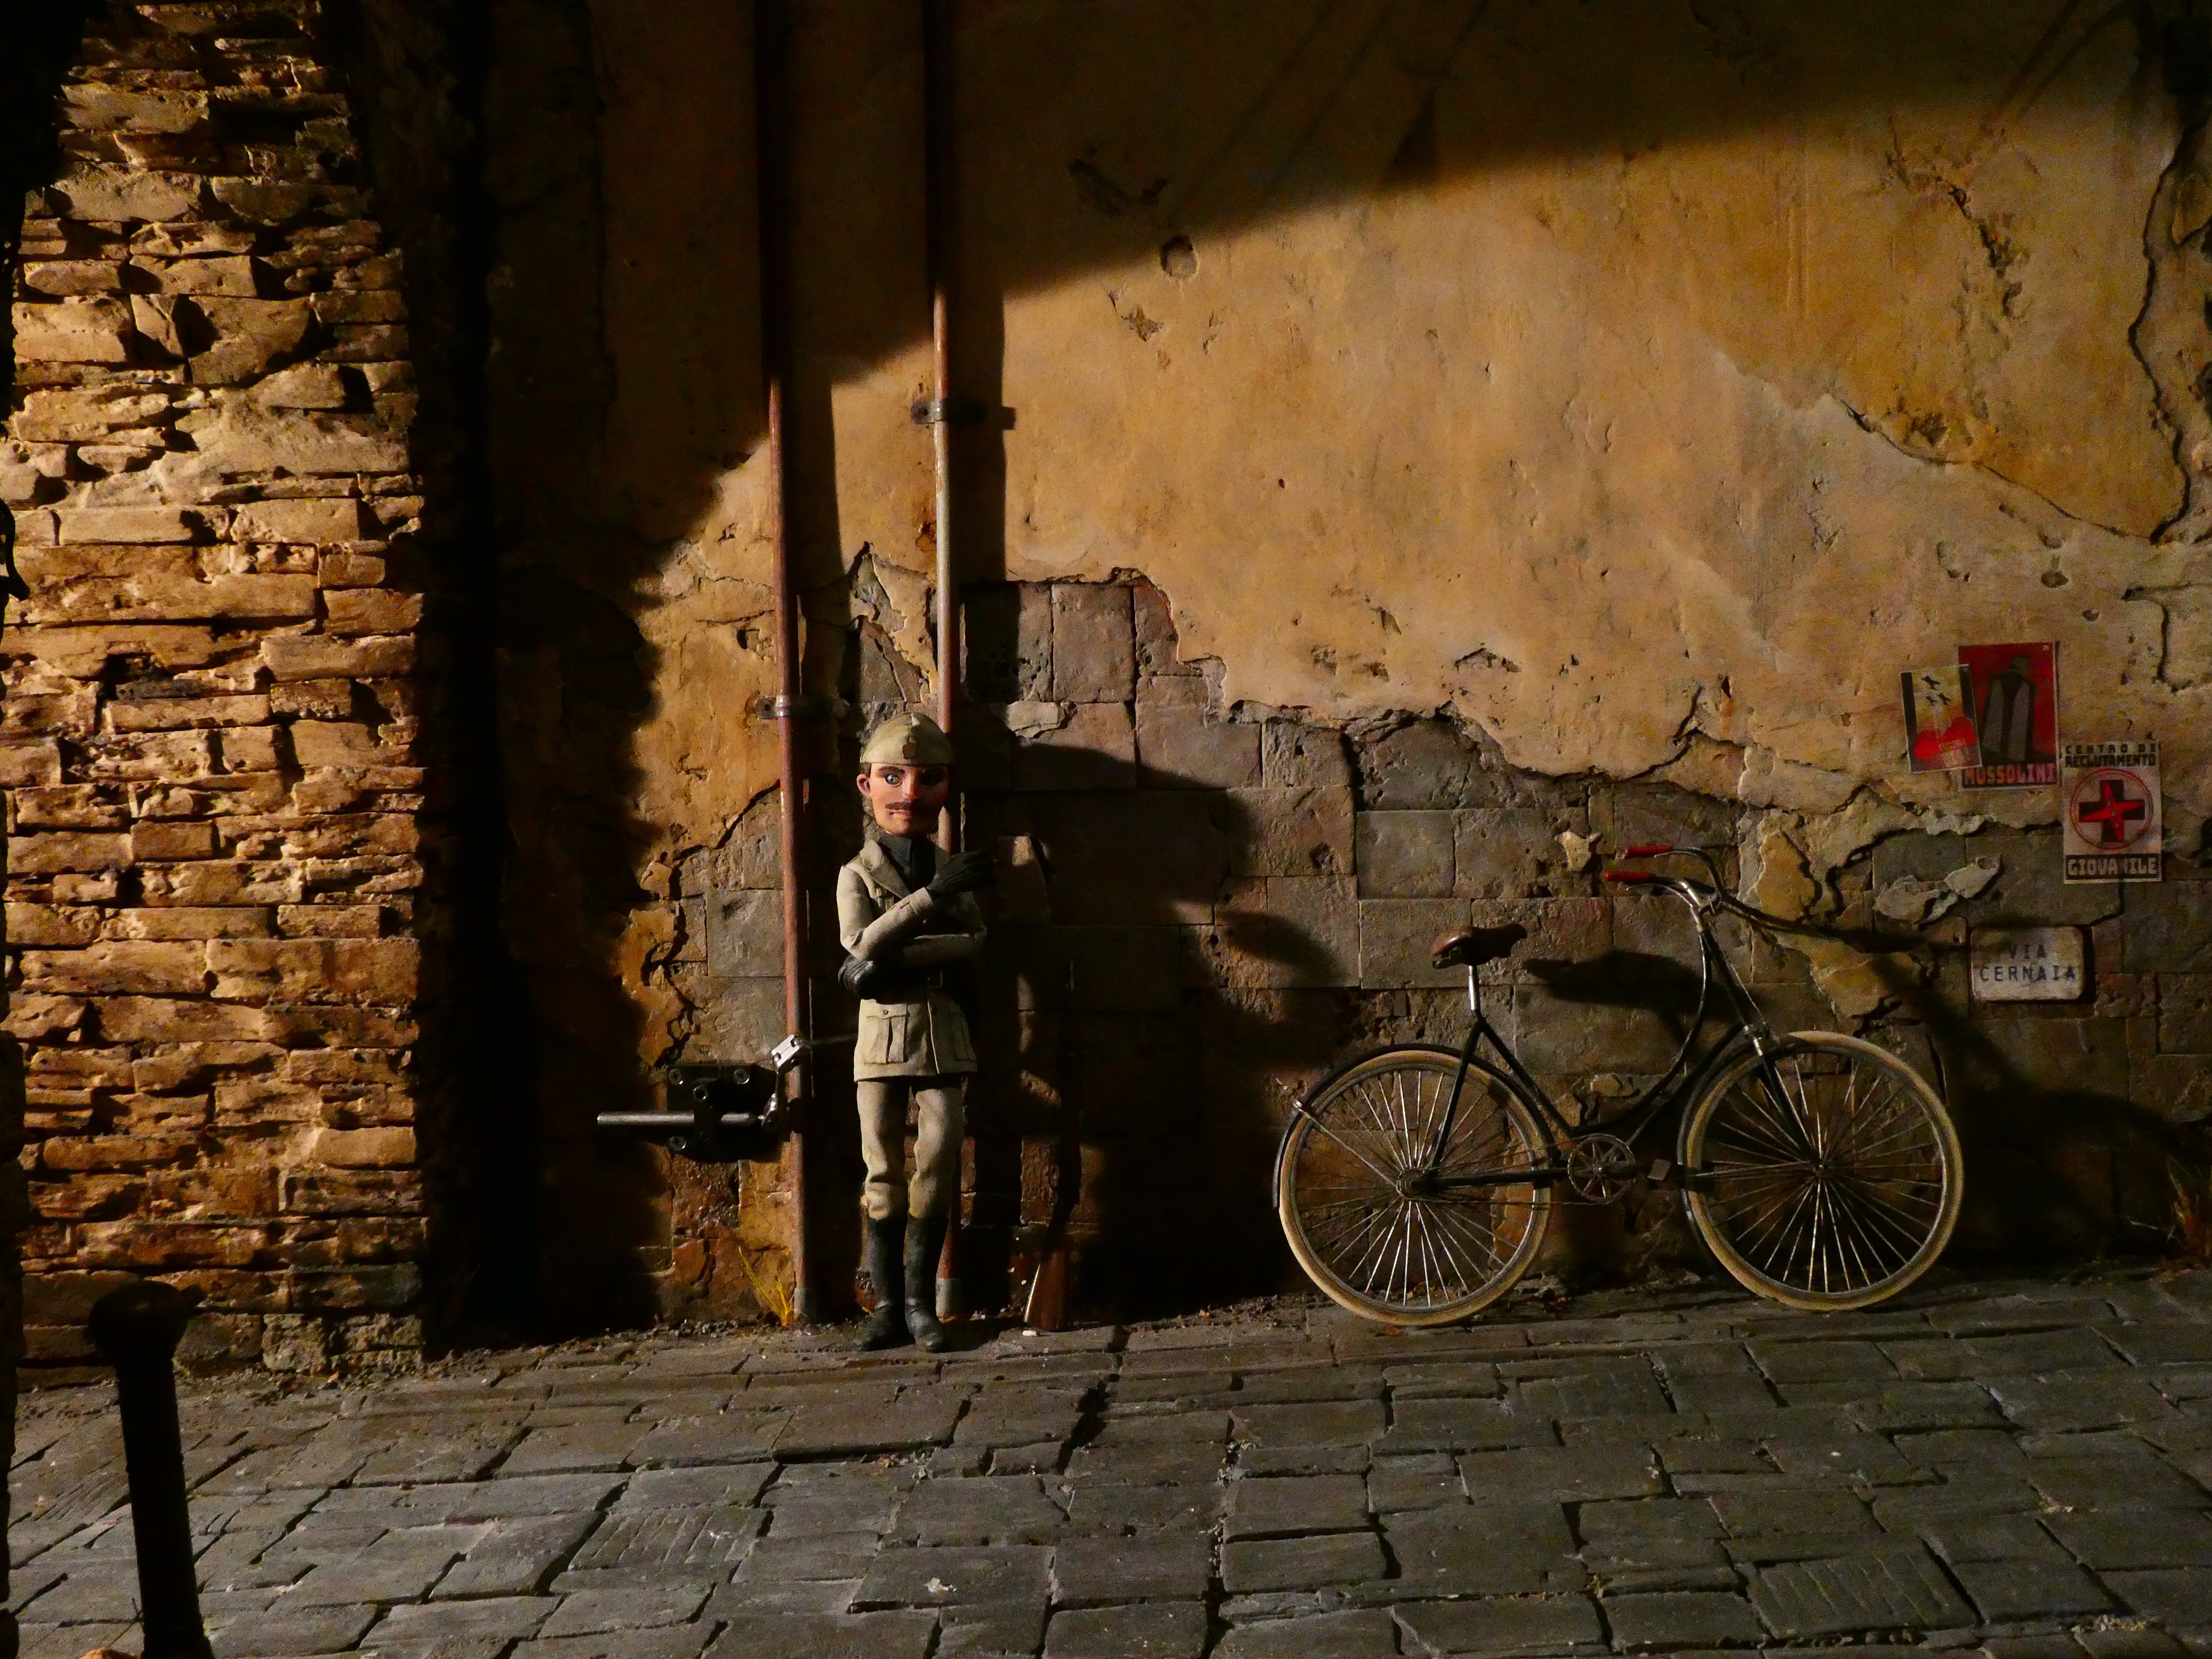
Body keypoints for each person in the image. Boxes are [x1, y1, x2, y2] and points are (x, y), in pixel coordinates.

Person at [835, 712, 993, 1350]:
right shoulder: (859, 873)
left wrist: (897, 955)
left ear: (946, 787)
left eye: (926, 780)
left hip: (943, 1032)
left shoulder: (950, 867)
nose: (909, 795)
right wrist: (928, 902)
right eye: (893, 778)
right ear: (865, 785)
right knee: (881, 1171)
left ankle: (922, 1304)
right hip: (880, 1038)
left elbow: (976, 942)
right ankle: (887, 1308)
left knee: (937, 1164)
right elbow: (857, 944)